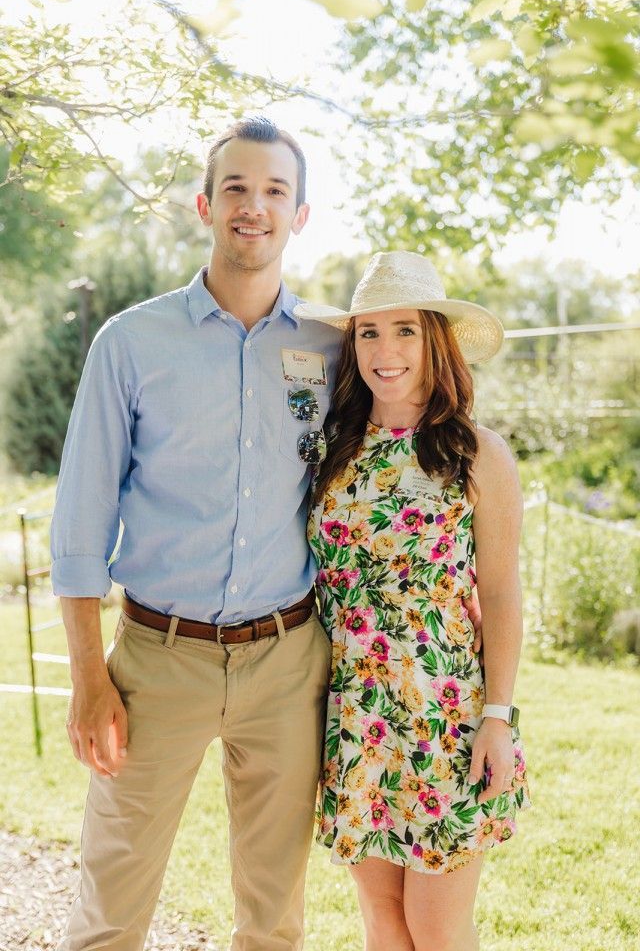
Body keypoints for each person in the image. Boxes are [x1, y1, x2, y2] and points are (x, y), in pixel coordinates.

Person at [50, 117, 343, 951]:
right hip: (155, 661)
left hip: (288, 662)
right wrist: (87, 680)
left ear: (301, 214)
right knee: (110, 909)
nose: (256, 207)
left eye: (275, 191)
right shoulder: (131, 343)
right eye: (238, 189)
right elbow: (79, 524)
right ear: (205, 205)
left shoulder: (331, 349)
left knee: (275, 916)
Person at [296, 251, 531, 951]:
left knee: (436, 927)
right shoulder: (329, 450)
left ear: (437, 340)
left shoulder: (476, 454)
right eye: (368, 332)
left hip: (445, 714)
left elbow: (502, 591)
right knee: (383, 923)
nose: (385, 350)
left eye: (405, 330)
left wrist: (498, 719)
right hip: (355, 713)